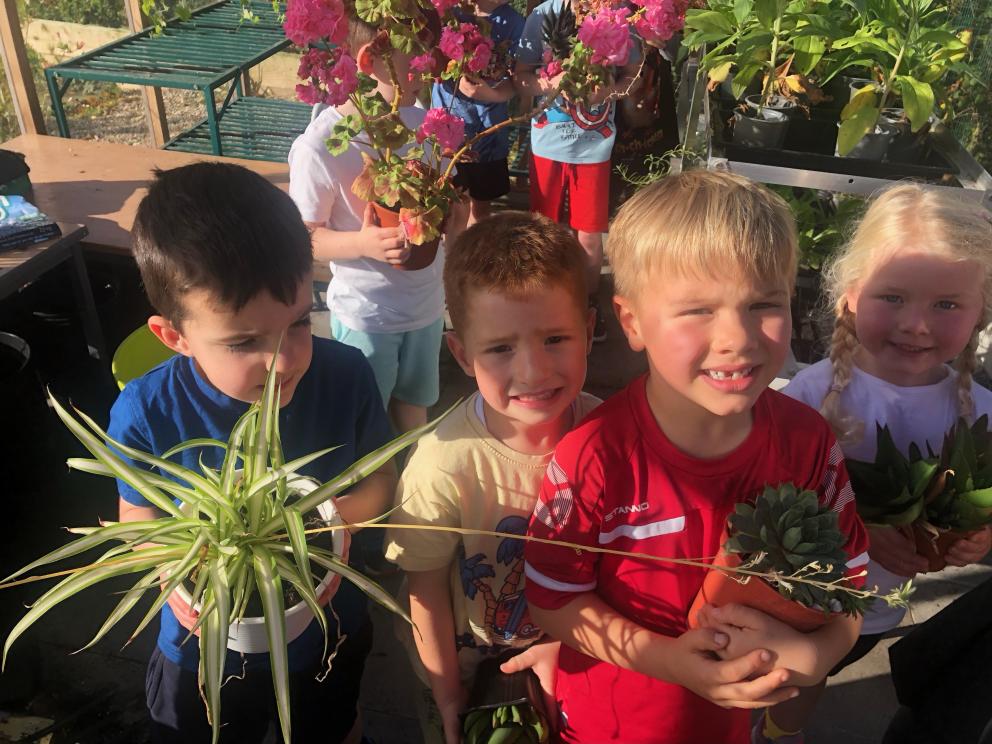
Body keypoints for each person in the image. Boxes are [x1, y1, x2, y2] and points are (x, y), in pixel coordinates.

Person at [521, 170, 871, 744]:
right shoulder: (594, 456)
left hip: (737, 722)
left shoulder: (808, 443)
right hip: (611, 723)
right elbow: (553, 598)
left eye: (763, 302)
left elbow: (848, 588)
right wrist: (670, 662)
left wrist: (812, 656)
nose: (737, 336)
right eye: (697, 310)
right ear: (632, 322)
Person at [109, 163, 397, 744]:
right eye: (243, 341)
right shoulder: (146, 411)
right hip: (203, 641)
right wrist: (173, 569)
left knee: (334, 724)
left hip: (326, 624)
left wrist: (331, 526)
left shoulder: (345, 374)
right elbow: (138, 521)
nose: (284, 360)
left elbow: (380, 480)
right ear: (175, 336)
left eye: (297, 323)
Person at [777, 183, 992, 744]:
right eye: (892, 297)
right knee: (793, 673)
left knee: (822, 672)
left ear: (980, 310)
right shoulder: (812, 393)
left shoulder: (981, 414)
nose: (916, 324)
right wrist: (864, 531)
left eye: (946, 305)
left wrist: (977, 538)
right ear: (850, 293)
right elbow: (771, 497)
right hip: (792, 596)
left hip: (877, 608)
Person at [384, 211, 600, 744]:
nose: (532, 371)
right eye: (500, 348)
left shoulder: (611, 437)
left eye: (555, 338)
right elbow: (426, 587)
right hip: (465, 666)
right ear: (460, 353)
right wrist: (447, 690)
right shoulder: (442, 463)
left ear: (590, 331)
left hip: (578, 652)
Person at [289, 5, 456, 437]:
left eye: (431, 51)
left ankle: (411, 487)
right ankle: (373, 495)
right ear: (370, 60)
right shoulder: (320, 148)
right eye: (417, 53)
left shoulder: (424, 127)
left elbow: (448, 213)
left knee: (415, 406)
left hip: (426, 306)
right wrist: (363, 244)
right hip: (368, 316)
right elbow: (301, 238)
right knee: (365, 419)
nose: (431, 64)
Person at [514, 0, 641, 342]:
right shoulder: (541, 16)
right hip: (547, 145)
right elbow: (521, 77)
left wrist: (610, 90)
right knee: (545, 229)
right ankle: (545, 300)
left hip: (594, 147)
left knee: (588, 236)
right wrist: (548, 85)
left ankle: (586, 307)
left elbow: (633, 75)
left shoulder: (619, 18)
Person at [433, 0, 524, 226]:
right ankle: (452, 255)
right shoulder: (447, 12)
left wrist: (489, 94)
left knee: (481, 207)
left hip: (489, 132)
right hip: (447, 129)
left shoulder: (515, 23)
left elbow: (518, 82)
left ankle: (475, 255)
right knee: (448, 204)